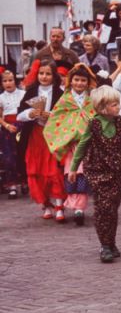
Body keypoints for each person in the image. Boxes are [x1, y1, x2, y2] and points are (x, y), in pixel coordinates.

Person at [68, 85, 121, 263]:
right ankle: (105, 246)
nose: (118, 107)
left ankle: (111, 242)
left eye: (118, 103)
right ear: (102, 107)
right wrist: (73, 167)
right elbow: (82, 145)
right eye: (114, 104)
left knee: (112, 209)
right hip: (97, 171)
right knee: (103, 208)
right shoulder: (94, 124)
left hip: (116, 171)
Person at [43, 64, 97, 226]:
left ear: (88, 82)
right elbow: (56, 121)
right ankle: (76, 207)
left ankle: (79, 208)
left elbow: (97, 118)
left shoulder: (92, 100)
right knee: (72, 175)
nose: (79, 83)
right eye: (76, 80)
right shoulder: (65, 100)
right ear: (70, 81)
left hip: (89, 146)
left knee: (84, 175)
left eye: (83, 80)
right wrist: (66, 137)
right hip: (71, 146)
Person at [16, 60, 66, 220]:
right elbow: (19, 115)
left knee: (54, 170)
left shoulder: (60, 93)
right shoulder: (31, 91)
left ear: (54, 76)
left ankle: (59, 205)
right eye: (41, 73)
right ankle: (46, 204)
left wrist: (51, 116)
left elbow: (65, 116)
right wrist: (30, 114)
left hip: (53, 136)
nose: (44, 76)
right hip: (35, 136)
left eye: (48, 74)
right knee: (37, 170)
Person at [0, 68, 25, 198]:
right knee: (9, 157)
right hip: (7, 129)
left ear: (15, 81)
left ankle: (25, 182)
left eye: (10, 80)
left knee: (22, 155)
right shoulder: (1, 98)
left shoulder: (23, 94)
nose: (8, 83)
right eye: (5, 81)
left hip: (22, 127)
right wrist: (6, 125)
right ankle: (12, 185)